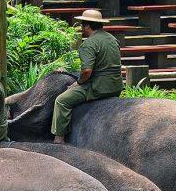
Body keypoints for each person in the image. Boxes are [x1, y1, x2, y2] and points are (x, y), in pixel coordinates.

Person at [51, 9, 123, 144]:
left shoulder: (89, 44)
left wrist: (78, 83)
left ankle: (59, 138)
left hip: (99, 88)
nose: (81, 28)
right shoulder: (112, 39)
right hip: (116, 85)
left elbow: (86, 72)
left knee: (61, 101)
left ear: (88, 26)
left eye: (82, 24)